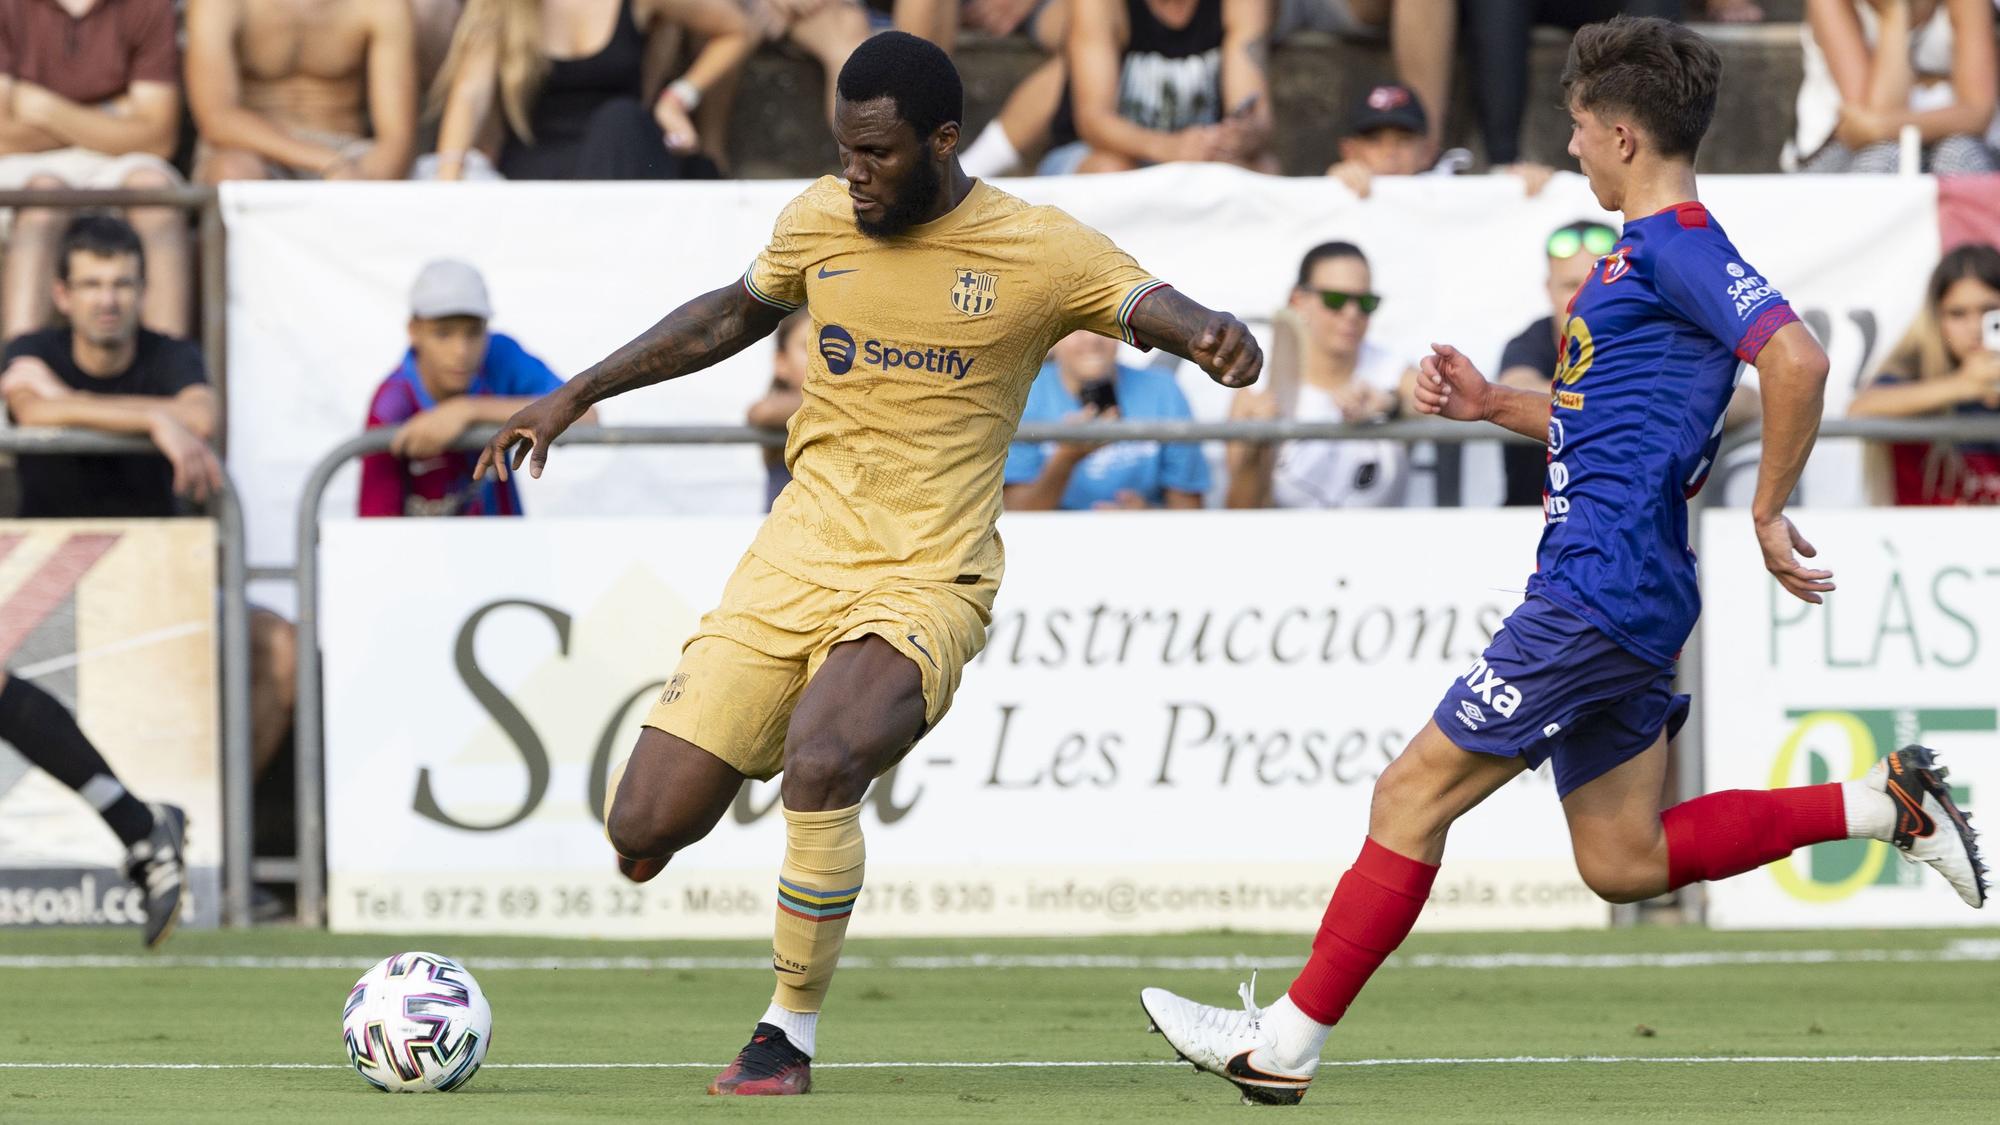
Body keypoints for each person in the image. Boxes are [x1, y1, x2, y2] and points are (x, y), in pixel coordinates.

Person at [1140, 18, 1984, 1106]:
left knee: (1407, 797)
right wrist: (1497, 403)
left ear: (1624, 136)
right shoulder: (1643, 255)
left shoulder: (1678, 243)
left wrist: (1767, 510)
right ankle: (1884, 811)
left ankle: (1284, 1043)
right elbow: (1609, 424)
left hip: (1597, 589)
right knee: (1621, 862)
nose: (1571, 146)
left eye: (1579, 127)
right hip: (1622, 589)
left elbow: (1796, 357)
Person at [473, 31, 1261, 1096]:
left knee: (823, 757)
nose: (855, 173)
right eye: (843, 150)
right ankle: (715, 778)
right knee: (644, 826)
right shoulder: (817, 220)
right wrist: (575, 391)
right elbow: (727, 314)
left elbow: (1142, 303)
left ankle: (783, 1033)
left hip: (925, 575)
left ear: (942, 142)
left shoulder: (1033, 246)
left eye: (877, 155)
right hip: (793, 560)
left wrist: (1209, 331)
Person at [0, 214, 220, 946]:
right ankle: (140, 825)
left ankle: (190, 846)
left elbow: (202, 414)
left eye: (122, 282)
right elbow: (33, 404)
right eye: (91, 283)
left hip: (155, 580)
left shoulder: (172, 354)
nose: (107, 299)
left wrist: (171, 417)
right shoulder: (32, 349)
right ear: (60, 293)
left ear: (141, 290)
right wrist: (158, 422)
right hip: (42, 558)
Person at [0, 0, 191, 340]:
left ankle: (170, 375)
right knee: (43, 197)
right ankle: (19, 373)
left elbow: (158, 139)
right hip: (25, 164)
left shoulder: (149, 6)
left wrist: (45, 108)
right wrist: (113, 114)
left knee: (156, 196)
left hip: (114, 160)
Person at [360, 259, 590, 517]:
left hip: (504, 546)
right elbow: (376, 526)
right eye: (443, 333)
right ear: (414, 331)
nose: (461, 351)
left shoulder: (499, 355)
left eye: (473, 332)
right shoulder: (391, 406)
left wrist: (468, 410)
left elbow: (586, 414)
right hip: (425, 552)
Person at [427, 0, 752, 180]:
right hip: (538, 167)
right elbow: (470, 92)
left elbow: (737, 30)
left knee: (619, 120)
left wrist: (677, 99)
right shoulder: (504, 7)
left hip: (626, 156)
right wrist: (449, 179)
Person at [1224, 241, 1418, 509]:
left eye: (1365, 302)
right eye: (1335, 300)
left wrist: (1392, 404)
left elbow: (1453, 409)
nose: (1352, 313)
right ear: (1298, 301)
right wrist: (1255, 450)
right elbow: (1238, 512)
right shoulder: (1259, 389)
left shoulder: (1391, 370)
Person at [185, 0, 420, 182]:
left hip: (347, 149)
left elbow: (397, 138)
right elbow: (217, 119)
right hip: (252, 149)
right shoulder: (219, 4)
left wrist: (362, 184)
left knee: (381, 172)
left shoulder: (384, 6)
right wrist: (324, 161)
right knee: (233, 172)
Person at [1847, 242, 2000, 503]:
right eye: (1957, 313)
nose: (1974, 327)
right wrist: (1964, 385)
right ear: (1936, 317)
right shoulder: (1912, 370)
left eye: (1989, 312)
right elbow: (1860, 410)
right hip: (1924, 536)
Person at [1050, 0, 1276, 174]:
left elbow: (1254, 110)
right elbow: (1093, 122)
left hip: (1201, 155)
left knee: (1261, 169)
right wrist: (1170, 148)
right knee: (1112, 169)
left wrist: (1241, 135)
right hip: (1102, 152)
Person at [1003, 329, 1210, 509]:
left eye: (1103, 326)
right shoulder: (1022, 395)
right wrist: (1065, 459)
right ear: (1051, 337)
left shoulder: (1164, 390)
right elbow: (1014, 517)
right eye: (1076, 328)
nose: (1092, 339)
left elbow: (1190, 510)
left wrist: (1148, 517)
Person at [1788, 0, 1997, 174]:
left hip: (1949, 143)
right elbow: (1872, 117)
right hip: (1840, 154)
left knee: (1959, 154)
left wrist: (1881, 127)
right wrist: (1893, 15)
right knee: (1884, 158)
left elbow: (1978, 114)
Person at [746, 310, 808, 511]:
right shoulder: (777, 409)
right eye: (810, 348)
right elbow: (764, 411)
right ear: (781, 362)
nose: (824, 359)